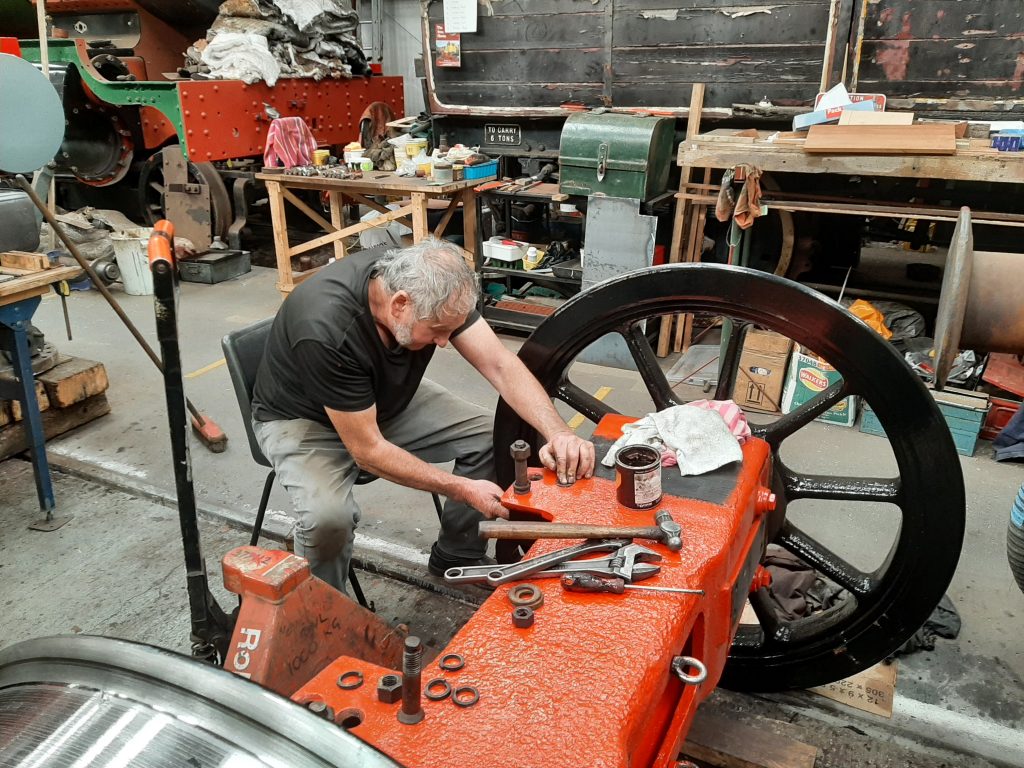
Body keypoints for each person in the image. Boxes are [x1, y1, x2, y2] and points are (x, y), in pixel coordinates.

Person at [250, 238, 595, 591]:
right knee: (328, 520)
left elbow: (501, 365)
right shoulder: (325, 329)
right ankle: (322, 615)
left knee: (492, 437)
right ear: (400, 304)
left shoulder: (432, 287)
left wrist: (559, 432)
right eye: (438, 332)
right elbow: (368, 452)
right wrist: (461, 488)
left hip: (379, 397)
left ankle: (457, 554)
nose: (446, 342)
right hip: (303, 420)